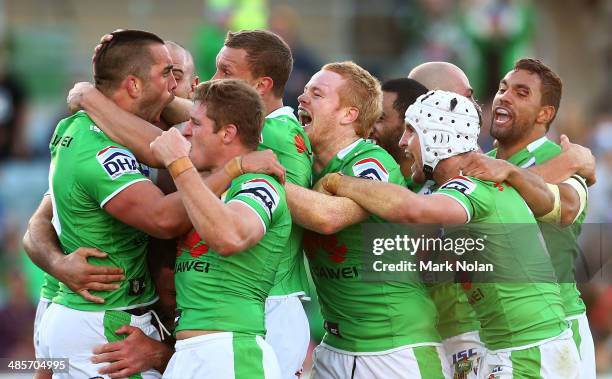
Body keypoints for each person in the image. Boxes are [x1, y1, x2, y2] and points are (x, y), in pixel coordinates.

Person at [66, 29, 312, 379]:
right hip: (192, 347)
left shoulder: (263, 167)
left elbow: (228, 236)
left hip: (241, 340)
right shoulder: (227, 168)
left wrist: (94, 97)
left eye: (225, 71)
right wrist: (116, 71)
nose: (185, 131)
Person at [319, 89, 581, 378]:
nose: (404, 142)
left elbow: (414, 209)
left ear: (437, 136)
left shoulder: (470, 185)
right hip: (519, 346)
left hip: (528, 351)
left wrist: (339, 181)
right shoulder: (477, 183)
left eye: (411, 131)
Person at [287, 61, 450, 378]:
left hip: (395, 349)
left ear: (349, 114)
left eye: (316, 94)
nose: (302, 99)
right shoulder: (303, 165)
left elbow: (328, 217)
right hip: (335, 347)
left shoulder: (370, 161)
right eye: (304, 92)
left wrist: (252, 170)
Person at [151, 79, 290, 379]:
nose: (186, 131)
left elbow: (230, 237)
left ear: (228, 133)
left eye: (196, 123)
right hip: (188, 353)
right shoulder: (210, 184)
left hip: (230, 352)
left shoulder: (259, 185)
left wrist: (178, 163)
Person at [485, 58, 596, 378]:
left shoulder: (561, 159)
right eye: (503, 88)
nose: (504, 96)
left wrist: (573, 161)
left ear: (545, 114)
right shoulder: (485, 163)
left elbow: (568, 206)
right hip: (497, 330)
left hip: (556, 330)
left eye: (521, 93)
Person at [369, 78, 428, 190]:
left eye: (380, 118)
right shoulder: (362, 173)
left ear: (410, 124)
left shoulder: (439, 188)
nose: (369, 128)